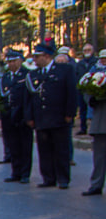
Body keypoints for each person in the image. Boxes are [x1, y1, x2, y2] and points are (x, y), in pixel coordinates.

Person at [25, 42, 77, 189]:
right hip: (41, 117)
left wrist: (69, 113)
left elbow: (71, 93)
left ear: (46, 56)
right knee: (44, 150)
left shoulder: (64, 70)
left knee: (61, 149)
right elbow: (29, 98)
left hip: (59, 117)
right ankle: (48, 178)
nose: (34, 60)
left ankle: (63, 178)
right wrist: (29, 117)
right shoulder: (34, 74)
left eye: (37, 56)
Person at [0, 49, 33, 184]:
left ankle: (25, 173)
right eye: (9, 61)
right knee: (13, 145)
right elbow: (3, 97)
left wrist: (28, 115)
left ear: (20, 60)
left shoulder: (26, 75)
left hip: (22, 115)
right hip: (9, 115)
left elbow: (29, 96)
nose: (11, 64)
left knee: (25, 146)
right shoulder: (6, 77)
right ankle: (16, 171)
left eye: (14, 61)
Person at [82, 49, 106, 196]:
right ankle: (96, 184)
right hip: (100, 120)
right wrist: (94, 96)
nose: (104, 61)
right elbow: (87, 93)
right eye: (102, 58)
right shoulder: (93, 74)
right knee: (99, 156)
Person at [76, 43, 96, 135]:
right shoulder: (80, 63)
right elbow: (76, 75)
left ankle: (93, 128)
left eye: (89, 50)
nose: (87, 52)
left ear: (92, 51)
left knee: (93, 110)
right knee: (82, 109)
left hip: (93, 89)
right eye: (85, 50)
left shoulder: (96, 62)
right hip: (82, 89)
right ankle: (83, 128)